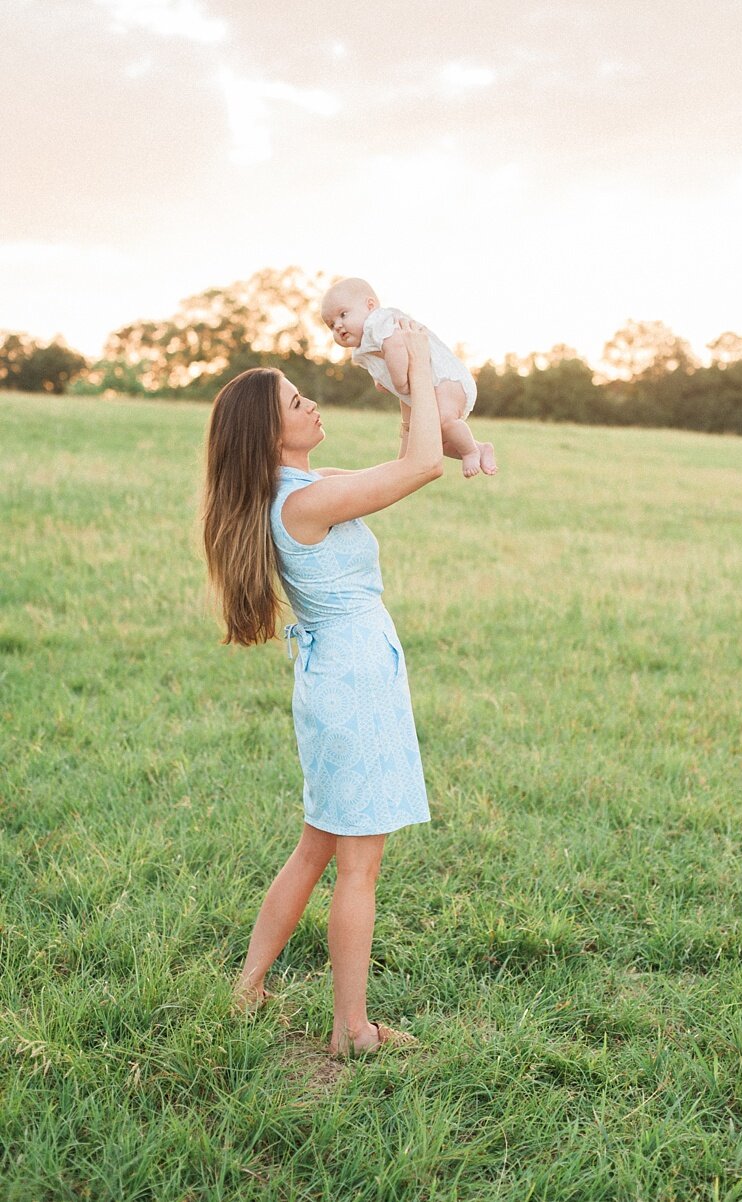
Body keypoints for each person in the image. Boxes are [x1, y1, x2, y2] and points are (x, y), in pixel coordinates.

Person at [202, 320, 443, 1057]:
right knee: (357, 866)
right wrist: (427, 363)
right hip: (354, 681)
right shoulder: (303, 504)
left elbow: (407, 455)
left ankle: (248, 985)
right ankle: (351, 1029)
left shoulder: (301, 488)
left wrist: (403, 383)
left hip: (340, 674)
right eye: (297, 402)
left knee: (315, 847)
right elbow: (426, 466)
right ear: (270, 434)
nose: (312, 406)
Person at [321, 277, 497, 479]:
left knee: (445, 420)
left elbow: (394, 345)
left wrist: (399, 382)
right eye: (331, 324)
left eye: (343, 315)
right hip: (433, 387)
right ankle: (481, 448)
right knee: (434, 439)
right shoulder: (364, 345)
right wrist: (381, 380)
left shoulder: (377, 322)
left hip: (445, 380)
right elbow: (383, 362)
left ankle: (470, 452)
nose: (338, 326)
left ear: (370, 306)